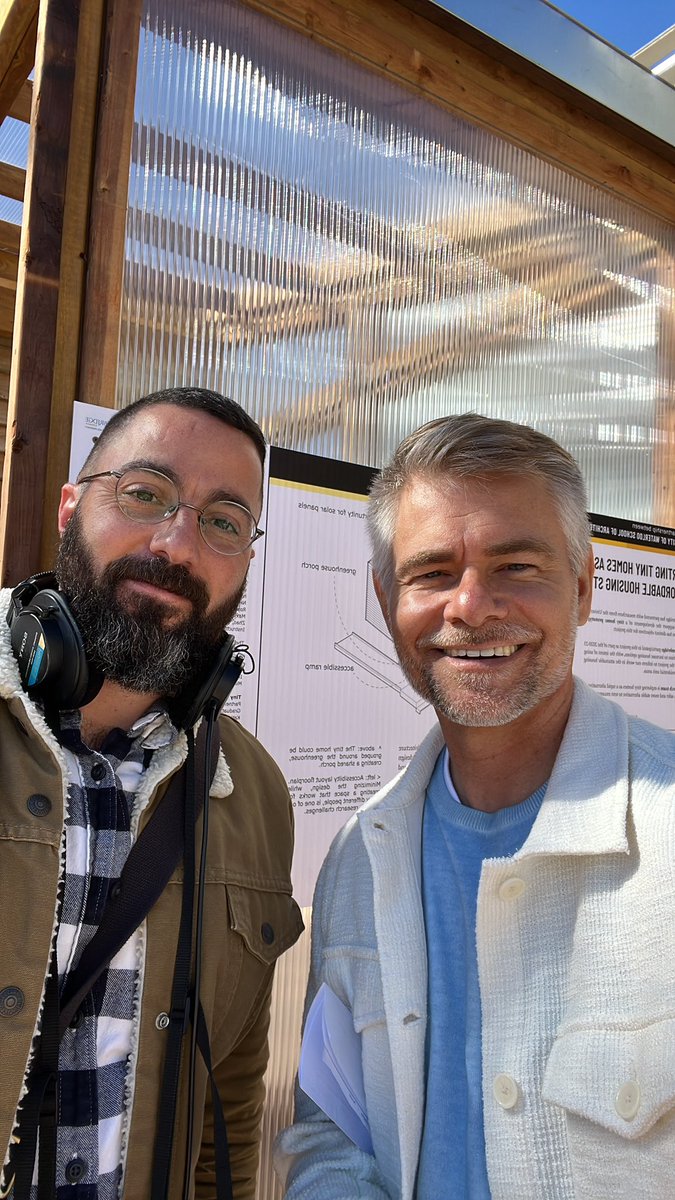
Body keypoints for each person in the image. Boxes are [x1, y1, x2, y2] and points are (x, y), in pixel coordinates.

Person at [275, 413, 675, 1199]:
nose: (471, 606)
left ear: (584, 586)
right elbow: (335, 1127)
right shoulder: (360, 856)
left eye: (516, 566)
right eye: (431, 573)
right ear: (386, 601)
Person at [0, 387, 303, 1200]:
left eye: (223, 521)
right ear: (71, 504)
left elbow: (227, 1108)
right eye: (145, 494)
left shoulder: (254, 794)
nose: (176, 543)